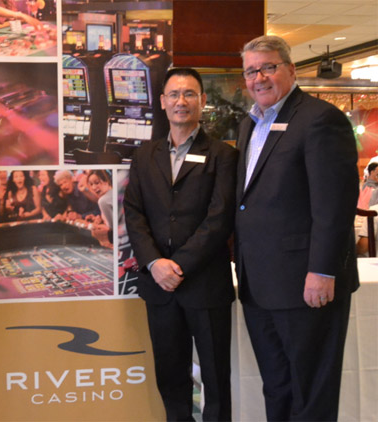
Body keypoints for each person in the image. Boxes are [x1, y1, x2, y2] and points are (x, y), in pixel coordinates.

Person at [234, 35, 358, 421]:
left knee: (311, 392)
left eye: (268, 67)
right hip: (260, 284)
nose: (259, 78)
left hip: (306, 284)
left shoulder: (320, 119)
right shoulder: (249, 124)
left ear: (290, 69)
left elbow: (334, 206)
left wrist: (322, 271)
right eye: (251, 71)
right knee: (277, 386)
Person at [124, 67, 237, 421]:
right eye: (174, 94)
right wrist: (155, 263)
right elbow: (133, 214)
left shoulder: (222, 155)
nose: (181, 101)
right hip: (159, 287)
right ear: (162, 102)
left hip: (205, 284)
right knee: (170, 376)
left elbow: (219, 219)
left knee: (216, 379)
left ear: (202, 101)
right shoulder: (145, 156)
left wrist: (180, 265)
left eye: (189, 94)